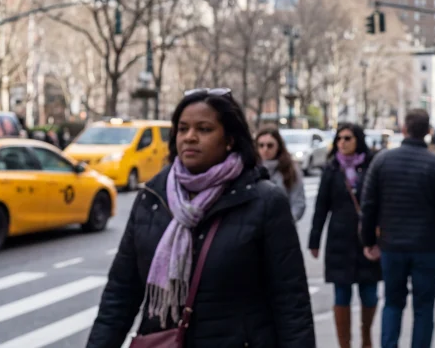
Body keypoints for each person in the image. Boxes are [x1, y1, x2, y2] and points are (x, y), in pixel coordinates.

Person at [87, 88, 314, 347]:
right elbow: (120, 295)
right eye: (183, 129)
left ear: (229, 139)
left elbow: (291, 302)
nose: (190, 137)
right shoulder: (152, 197)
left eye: (204, 129)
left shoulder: (265, 202)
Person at [360, 109, 435, 348]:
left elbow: (369, 204)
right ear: (427, 132)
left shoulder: (382, 160)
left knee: (392, 303)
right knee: (424, 307)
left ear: (404, 129)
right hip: (426, 245)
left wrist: (368, 241)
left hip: (392, 244)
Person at [309, 123, 382, 348]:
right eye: (339, 138)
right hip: (339, 240)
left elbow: (382, 202)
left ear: (357, 140)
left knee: (369, 293)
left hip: (367, 238)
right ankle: (345, 344)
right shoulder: (332, 169)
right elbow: (321, 206)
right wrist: (315, 239)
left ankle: (366, 337)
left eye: (347, 138)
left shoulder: (371, 166)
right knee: (342, 295)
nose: (342, 142)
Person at [255, 127, 306, 221]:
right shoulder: (251, 168)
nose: (265, 149)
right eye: (261, 145)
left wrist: (286, 223)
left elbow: (298, 203)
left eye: (270, 145)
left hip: (282, 227)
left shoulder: (291, 169)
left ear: (278, 146)